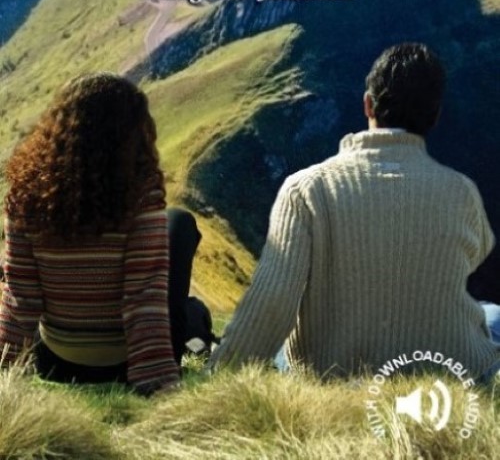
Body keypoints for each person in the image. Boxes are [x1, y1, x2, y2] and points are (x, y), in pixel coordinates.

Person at [209, 43, 500, 381]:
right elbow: (477, 250)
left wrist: (221, 376)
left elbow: (273, 299)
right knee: (492, 315)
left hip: (334, 374)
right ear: (434, 116)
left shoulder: (306, 190)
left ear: (367, 105)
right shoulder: (462, 191)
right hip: (450, 371)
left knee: (284, 347)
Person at [0, 73, 201, 395]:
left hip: (57, 362)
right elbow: (144, 294)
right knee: (179, 225)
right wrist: (159, 383)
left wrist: (4, 369)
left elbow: (21, 296)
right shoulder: (141, 192)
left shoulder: (27, 193)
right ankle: (192, 341)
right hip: (127, 364)